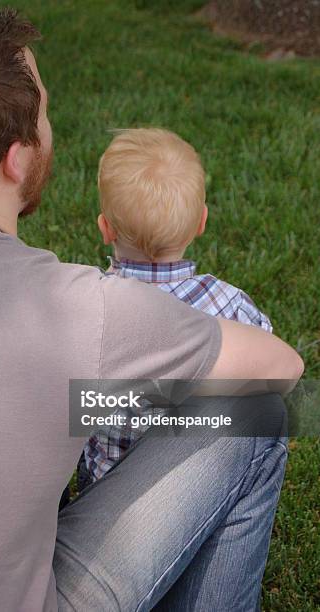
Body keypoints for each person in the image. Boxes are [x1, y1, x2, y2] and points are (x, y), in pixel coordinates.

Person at [0, 9, 303, 612]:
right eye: (44, 114)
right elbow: (283, 367)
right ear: (16, 160)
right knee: (258, 413)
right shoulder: (75, 309)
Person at [79, 127, 273, 488]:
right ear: (202, 221)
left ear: (105, 228)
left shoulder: (88, 306)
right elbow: (269, 372)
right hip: (199, 482)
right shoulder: (231, 306)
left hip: (102, 490)